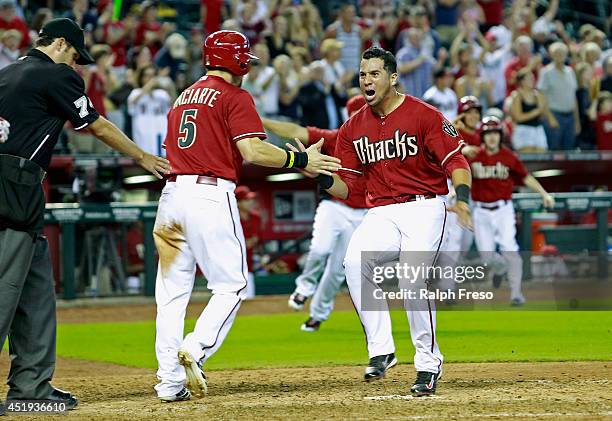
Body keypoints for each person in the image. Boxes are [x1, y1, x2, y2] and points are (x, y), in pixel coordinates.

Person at [153, 30, 340, 402]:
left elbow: (170, 148)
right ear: (235, 60)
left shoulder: (181, 96)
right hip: (209, 193)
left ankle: (169, 382)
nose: (248, 67)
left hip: (172, 195)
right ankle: (197, 345)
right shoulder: (234, 95)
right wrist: (301, 160)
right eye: (245, 60)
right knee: (232, 285)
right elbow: (253, 151)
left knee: (172, 295)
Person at [0, 18, 169, 410]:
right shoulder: (55, 75)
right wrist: (142, 155)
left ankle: (31, 388)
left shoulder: (7, 73)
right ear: (59, 44)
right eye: (75, 56)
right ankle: (30, 386)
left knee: (36, 289)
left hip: (18, 188)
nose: (76, 65)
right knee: (5, 288)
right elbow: (95, 126)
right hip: (14, 185)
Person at [291, 47, 472, 396]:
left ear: (392, 77)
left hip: (425, 207)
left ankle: (427, 365)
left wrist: (461, 199)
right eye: (362, 74)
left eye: (374, 73)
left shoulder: (424, 115)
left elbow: (456, 162)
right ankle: (381, 350)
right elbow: (348, 189)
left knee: (411, 281)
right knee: (354, 261)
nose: (367, 80)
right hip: (382, 211)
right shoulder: (352, 127)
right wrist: (312, 171)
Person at [263, 95, 368, 332]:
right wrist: (261, 120)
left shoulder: (380, 143)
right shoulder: (336, 137)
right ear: (349, 116)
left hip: (363, 214)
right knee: (320, 249)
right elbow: (295, 131)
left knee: (338, 270)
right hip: (334, 205)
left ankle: (318, 315)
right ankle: (304, 288)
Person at [467, 116, 555, 305]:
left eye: (495, 133)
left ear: (500, 135)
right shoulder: (474, 155)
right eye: (488, 133)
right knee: (487, 256)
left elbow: (525, 177)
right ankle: (499, 270)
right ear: (482, 136)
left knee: (510, 250)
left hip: (503, 209)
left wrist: (544, 193)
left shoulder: (509, 156)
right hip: (480, 210)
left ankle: (516, 293)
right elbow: (460, 173)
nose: (492, 137)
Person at [537, 42, 580, 150]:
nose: (560, 56)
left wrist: (576, 120)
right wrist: (550, 117)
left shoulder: (570, 71)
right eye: (556, 53)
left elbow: (573, 97)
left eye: (562, 53)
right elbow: (541, 97)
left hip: (570, 117)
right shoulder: (546, 72)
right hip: (555, 115)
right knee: (554, 149)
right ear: (551, 55)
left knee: (569, 149)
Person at [127, 65, 174, 156]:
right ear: (141, 77)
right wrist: (148, 87)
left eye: (152, 76)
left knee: (162, 158)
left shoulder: (162, 94)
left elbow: (172, 106)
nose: (150, 78)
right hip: (142, 132)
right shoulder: (136, 92)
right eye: (147, 75)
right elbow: (132, 103)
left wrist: (166, 85)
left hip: (160, 130)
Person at [509, 68, 556, 152]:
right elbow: (518, 117)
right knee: (528, 155)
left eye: (533, 78)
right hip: (523, 130)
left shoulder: (538, 95)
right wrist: (536, 112)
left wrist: (550, 118)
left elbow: (544, 112)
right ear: (522, 81)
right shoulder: (517, 96)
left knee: (541, 156)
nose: (533, 80)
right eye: (530, 78)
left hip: (538, 130)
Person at [235, 185, 262, 300]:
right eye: (246, 200)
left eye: (251, 199)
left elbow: (257, 239)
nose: (250, 202)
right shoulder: (230, 216)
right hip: (232, 267)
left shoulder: (255, 217)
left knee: (249, 299)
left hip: (248, 265)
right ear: (238, 202)